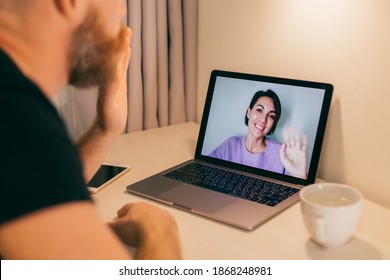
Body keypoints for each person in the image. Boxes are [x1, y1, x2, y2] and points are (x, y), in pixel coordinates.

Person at [0, 0, 181, 259]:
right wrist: (160, 229)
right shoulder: (15, 117)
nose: (122, 9)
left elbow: (29, 184)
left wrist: (106, 129)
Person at [209, 89, 308, 179]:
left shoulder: (283, 153)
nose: (263, 120)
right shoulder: (230, 144)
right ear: (249, 112)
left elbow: (300, 193)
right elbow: (205, 170)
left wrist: (300, 176)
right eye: (260, 110)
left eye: (271, 116)